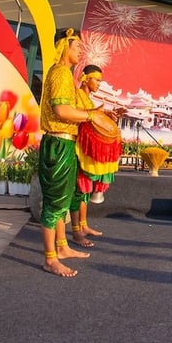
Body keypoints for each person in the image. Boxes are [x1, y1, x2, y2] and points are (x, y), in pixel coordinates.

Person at [38, 28, 92, 277]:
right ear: (64, 47)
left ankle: (62, 247)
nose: (80, 51)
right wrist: (92, 116)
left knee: (60, 200)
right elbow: (61, 111)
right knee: (54, 203)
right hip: (58, 144)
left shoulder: (65, 75)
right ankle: (50, 258)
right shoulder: (60, 72)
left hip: (65, 143)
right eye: (77, 47)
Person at [71, 64, 123, 247]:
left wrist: (107, 115)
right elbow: (79, 117)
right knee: (79, 191)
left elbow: (93, 118)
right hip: (78, 147)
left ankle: (83, 225)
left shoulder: (89, 100)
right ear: (85, 78)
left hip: (86, 149)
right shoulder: (77, 96)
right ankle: (76, 231)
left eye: (101, 80)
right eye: (97, 80)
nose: (99, 84)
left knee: (84, 191)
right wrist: (97, 113)